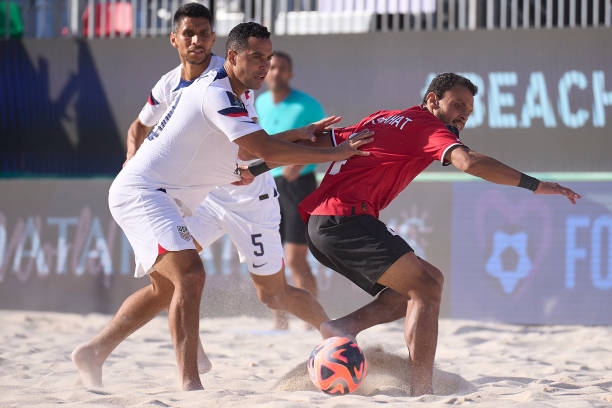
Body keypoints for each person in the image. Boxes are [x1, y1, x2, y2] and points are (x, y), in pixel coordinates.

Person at [71, 21, 372, 391]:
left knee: (190, 288)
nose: (264, 66)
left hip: (213, 196)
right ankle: (190, 383)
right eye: (256, 58)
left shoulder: (238, 91)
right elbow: (265, 151)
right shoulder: (214, 91)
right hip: (149, 194)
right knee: (189, 275)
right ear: (230, 56)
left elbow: (250, 149)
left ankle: (95, 351)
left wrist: (299, 133)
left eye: (268, 58)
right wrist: (337, 152)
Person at [291, 73, 581, 395]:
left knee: (428, 280)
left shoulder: (385, 117)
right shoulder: (426, 127)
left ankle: (344, 327)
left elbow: (311, 142)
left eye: (468, 112)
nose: (462, 116)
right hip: (343, 221)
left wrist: (252, 162)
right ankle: (421, 390)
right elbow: (467, 162)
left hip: (328, 223)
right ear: (432, 100)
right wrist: (535, 185)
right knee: (425, 289)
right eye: (457, 105)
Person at [254, 51, 326, 330]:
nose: (275, 73)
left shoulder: (307, 105)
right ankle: (279, 321)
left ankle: (311, 322)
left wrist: (301, 160)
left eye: (281, 68)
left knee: (296, 259)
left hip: (300, 185)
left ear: (290, 73)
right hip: (268, 184)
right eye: (271, 68)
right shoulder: (259, 101)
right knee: (274, 258)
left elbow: (323, 140)